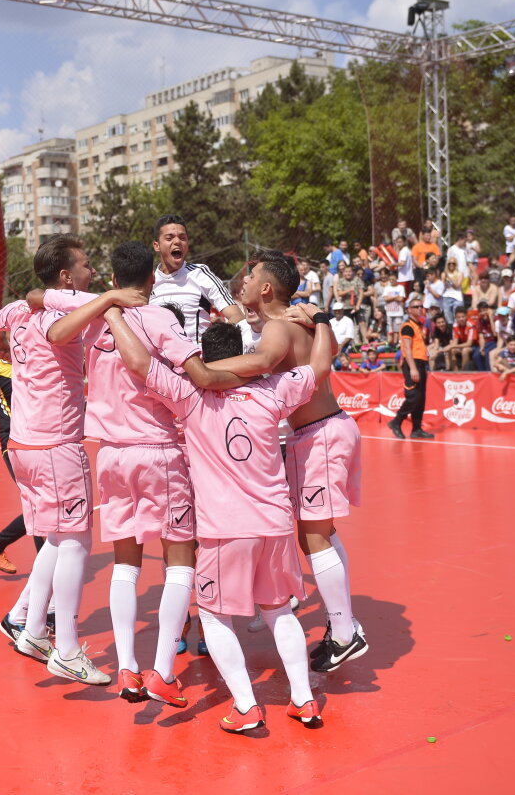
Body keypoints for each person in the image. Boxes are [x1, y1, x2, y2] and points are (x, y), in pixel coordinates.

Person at [102, 308, 332, 732]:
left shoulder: (190, 395)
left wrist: (113, 310)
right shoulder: (272, 390)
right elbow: (320, 364)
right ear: (242, 355)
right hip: (276, 523)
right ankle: (304, 701)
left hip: (227, 529)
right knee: (280, 611)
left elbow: (137, 362)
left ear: (203, 358)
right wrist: (321, 320)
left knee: (212, 615)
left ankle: (246, 706)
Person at [41, 241, 246, 706]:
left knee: (125, 564)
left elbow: (49, 318)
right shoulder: (157, 318)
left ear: (113, 278)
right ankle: (161, 671)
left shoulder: (93, 315)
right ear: (152, 279)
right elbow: (196, 372)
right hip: (157, 451)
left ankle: (127, 670)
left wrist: (107, 304)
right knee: (180, 561)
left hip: (110, 454)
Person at [0, 234, 146, 687]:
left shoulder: (16, 310)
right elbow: (84, 323)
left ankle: (33, 630)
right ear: (66, 276)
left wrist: (3, 343)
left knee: (56, 539)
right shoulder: (72, 314)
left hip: (23, 445)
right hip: (56, 443)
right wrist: (111, 297)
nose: (93, 271)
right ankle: (68, 648)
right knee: (75, 542)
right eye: (86, 265)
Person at [205, 253, 367, 673]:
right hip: (320, 431)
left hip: (321, 434)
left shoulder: (279, 326)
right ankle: (342, 625)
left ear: (266, 288)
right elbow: (323, 353)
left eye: (251, 275)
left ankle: (345, 633)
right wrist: (322, 318)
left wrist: (200, 371)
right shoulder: (295, 323)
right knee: (318, 533)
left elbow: (260, 363)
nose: (242, 280)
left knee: (314, 536)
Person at [0, 333, 42, 578]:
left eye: (1, 344)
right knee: (38, 504)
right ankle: (44, 570)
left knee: (43, 505)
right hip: (13, 444)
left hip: (43, 440)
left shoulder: (35, 358)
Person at [149, 214, 243, 343]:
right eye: (169, 238)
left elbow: (237, 316)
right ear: (156, 246)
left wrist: (213, 344)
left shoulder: (200, 274)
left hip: (198, 359)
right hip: (159, 361)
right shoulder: (148, 281)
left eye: (182, 238)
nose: (177, 242)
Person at [388, 295, 434, 440]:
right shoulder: (408, 326)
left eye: (421, 306)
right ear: (409, 310)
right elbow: (407, 349)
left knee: (421, 398)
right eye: (416, 307)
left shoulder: (418, 326)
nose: (420, 309)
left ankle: (416, 428)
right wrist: (413, 368)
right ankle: (397, 421)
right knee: (413, 397)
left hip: (420, 363)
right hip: (412, 363)